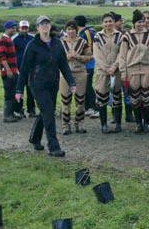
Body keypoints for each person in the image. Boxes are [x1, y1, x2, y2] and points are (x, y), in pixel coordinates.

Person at [16, 15, 76, 157]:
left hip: (52, 83)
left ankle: (35, 138)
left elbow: (63, 64)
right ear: (37, 28)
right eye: (41, 24)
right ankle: (53, 147)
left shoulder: (57, 43)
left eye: (47, 23)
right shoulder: (32, 45)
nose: (44, 26)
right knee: (49, 112)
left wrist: (71, 82)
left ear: (50, 26)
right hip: (37, 84)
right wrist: (19, 89)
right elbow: (24, 69)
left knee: (46, 111)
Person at [119, 9, 149, 134]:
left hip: (147, 68)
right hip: (132, 69)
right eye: (138, 22)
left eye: (142, 21)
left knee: (147, 98)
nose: (141, 24)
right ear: (134, 22)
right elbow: (123, 55)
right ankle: (138, 124)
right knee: (135, 98)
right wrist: (123, 72)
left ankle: (146, 123)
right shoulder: (127, 36)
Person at [58, 21, 92, 135]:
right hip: (65, 74)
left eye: (73, 29)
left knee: (80, 100)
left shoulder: (82, 42)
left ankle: (79, 123)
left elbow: (90, 56)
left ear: (76, 31)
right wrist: (66, 57)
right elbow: (54, 58)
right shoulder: (60, 42)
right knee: (65, 100)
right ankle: (65, 126)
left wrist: (78, 56)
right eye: (68, 29)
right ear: (65, 30)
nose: (70, 31)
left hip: (80, 72)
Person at [93, 13, 124, 133]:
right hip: (102, 72)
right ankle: (103, 124)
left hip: (116, 71)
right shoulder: (97, 36)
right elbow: (97, 54)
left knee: (117, 97)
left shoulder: (119, 35)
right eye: (105, 22)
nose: (108, 24)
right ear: (102, 23)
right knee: (102, 98)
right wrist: (106, 68)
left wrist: (114, 66)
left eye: (110, 21)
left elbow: (122, 53)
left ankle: (118, 124)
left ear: (114, 22)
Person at [110, 12, 135, 123]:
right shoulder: (109, 35)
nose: (122, 23)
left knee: (127, 92)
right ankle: (115, 116)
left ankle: (129, 115)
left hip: (125, 67)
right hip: (112, 68)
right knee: (114, 92)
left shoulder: (125, 34)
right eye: (120, 21)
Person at [74, 15, 99, 120]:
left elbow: (89, 48)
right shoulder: (83, 32)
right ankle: (88, 107)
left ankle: (96, 109)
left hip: (88, 64)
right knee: (84, 86)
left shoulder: (87, 33)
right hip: (83, 64)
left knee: (88, 86)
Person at [0, 20, 20, 123]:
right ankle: (7, 115)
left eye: (15, 27)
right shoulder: (3, 40)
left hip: (13, 71)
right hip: (8, 72)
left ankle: (11, 113)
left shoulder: (9, 40)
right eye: (13, 27)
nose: (15, 29)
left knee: (13, 92)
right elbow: (3, 57)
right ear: (7, 28)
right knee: (9, 93)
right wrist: (8, 70)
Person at [13, 20, 36, 118]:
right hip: (19, 69)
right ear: (19, 28)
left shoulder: (32, 38)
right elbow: (12, 54)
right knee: (19, 90)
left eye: (26, 27)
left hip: (31, 68)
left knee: (31, 90)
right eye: (23, 27)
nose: (24, 29)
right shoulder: (14, 39)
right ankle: (19, 109)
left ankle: (31, 110)